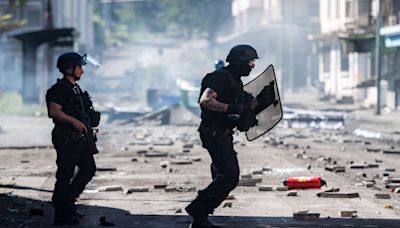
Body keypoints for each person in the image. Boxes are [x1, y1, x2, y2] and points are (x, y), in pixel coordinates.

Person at [185, 44, 275, 227]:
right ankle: (198, 208)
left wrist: (263, 100)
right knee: (229, 175)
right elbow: (206, 101)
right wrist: (232, 109)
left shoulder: (235, 80)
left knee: (222, 175)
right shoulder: (221, 78)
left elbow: (243, 106)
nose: (252, 66)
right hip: (214, 132)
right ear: (239, 62)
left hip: (222, 133)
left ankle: (199, 221)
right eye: (250, 62)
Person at [46, 52, 100, 225]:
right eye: (80, 67)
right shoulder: (59, 89)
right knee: (65, 173)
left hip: (80, 137)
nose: (82, 71)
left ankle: (68, 202)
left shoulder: (75, 88)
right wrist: (74, 122)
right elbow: (54, 111)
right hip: (66, 137)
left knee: (88, 168)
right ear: (70, 68)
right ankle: (62, 212)